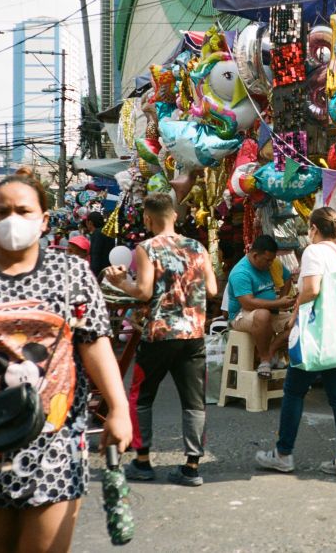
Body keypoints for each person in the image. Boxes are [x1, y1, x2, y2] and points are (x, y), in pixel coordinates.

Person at [0, 174, 131, 553]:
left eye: (24, 210)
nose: (13, 219)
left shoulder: (72, 273)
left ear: (44, 220)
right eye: (2, 211)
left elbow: (94, 343)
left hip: (55, 441)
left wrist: (119, 408)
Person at [105, 193, 217, 487]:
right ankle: (192, 466)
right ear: (175, 216)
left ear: (147, 218)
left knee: (141, 396)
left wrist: (121, 282)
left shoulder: (146, 248)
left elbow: (142, 292)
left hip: (159, 333)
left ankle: (142, 461)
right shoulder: (197, 247)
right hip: (193, 334)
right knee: (194, 401)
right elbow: (213, 289)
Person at [255, 207, 336, 479]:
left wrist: (296, 313)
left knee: (293, 392)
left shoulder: (314, 251)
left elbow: (312, 289)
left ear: (313, 228)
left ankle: (283, 454)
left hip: (316, 333)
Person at [227, 235, 296, 379]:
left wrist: (282, 299)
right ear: (255, 255)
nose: (270, 263)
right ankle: (265, 360)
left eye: (272, 259)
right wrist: (278, 303)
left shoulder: (273, 263)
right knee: (263, 315)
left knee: (301, 321)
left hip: (270, 311)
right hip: (241, 315)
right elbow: (248, 303)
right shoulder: (240, 272)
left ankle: (270, 351)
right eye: (267, 260)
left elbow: (287, 277)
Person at [86, 211, 115, 278]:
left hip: (99, 272)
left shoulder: (97, 233)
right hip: (108, 269)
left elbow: (96, 254)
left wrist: (93, 274)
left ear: (90, 222)